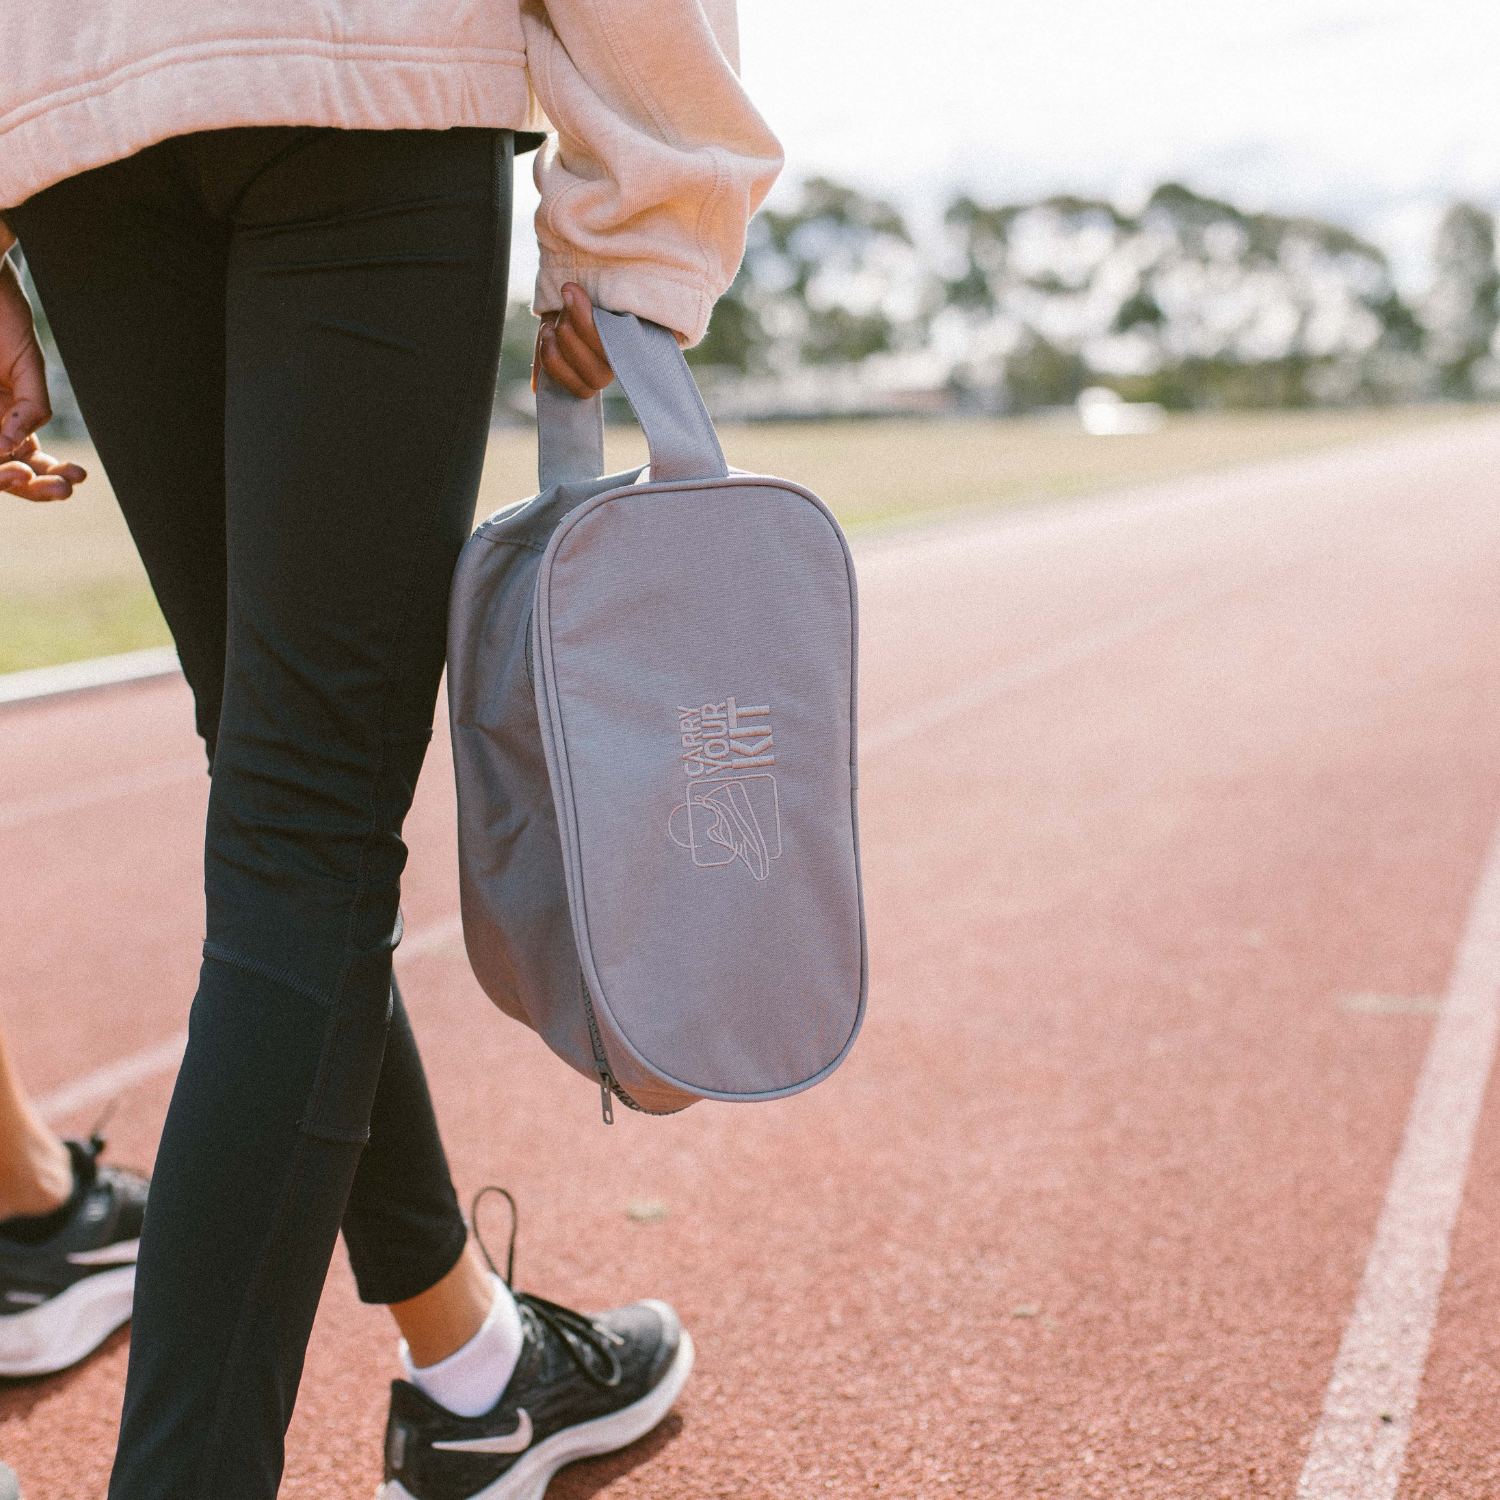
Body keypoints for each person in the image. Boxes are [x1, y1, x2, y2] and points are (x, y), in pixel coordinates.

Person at [0, 4, 781, 1498]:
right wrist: (646, 231)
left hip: (83, 120)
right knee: (306, 831)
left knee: (285, 807)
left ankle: (476, 1369)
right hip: (352, 87)